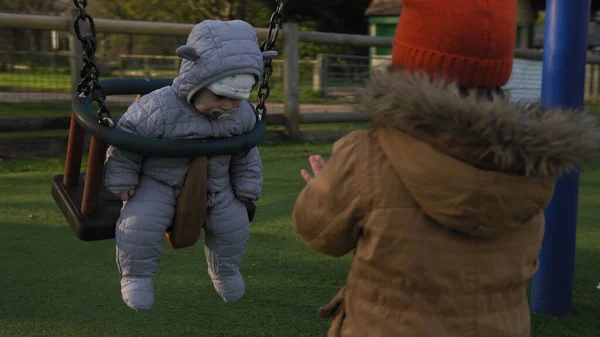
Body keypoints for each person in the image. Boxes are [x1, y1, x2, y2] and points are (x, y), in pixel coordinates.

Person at [292, 0, 600, 336]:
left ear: (407, 61)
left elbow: (319, 232)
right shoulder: (531, 167)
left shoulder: (368, 153)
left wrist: (325, 185)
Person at [103, 19, 267, 311]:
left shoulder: (242, 116)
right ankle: (137, 277)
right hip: (159, 181)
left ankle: (225, 272)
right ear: (196, 80)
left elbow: (246, 154)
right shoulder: (158, 108)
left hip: (217, 184)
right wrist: (122, 180)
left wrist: (247, 185)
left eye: (238, 98)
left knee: (234, 226)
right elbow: (126, 144)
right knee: (139, 224)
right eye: (220, 96)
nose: (229, 106)